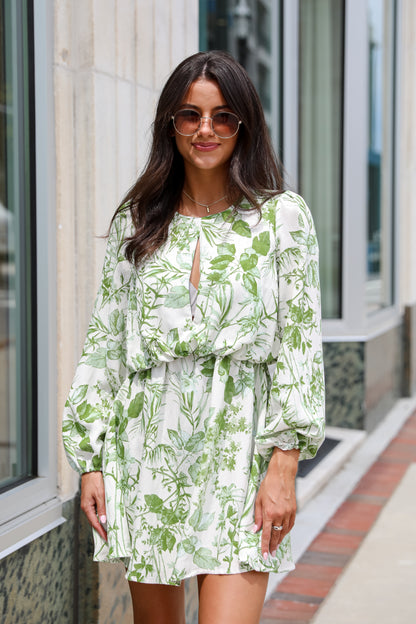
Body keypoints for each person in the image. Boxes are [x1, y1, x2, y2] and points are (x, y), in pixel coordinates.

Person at [62, 50, 325, 624]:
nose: (206, 129)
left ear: (244, 125)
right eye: (190, 115)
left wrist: (285, 464)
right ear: (170, 124)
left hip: (240, 450)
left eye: (222, 116)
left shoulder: (282, 218)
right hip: (148, 447)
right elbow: (105, 342)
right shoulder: (137, 219)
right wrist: (91, 460)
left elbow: (299, 347)